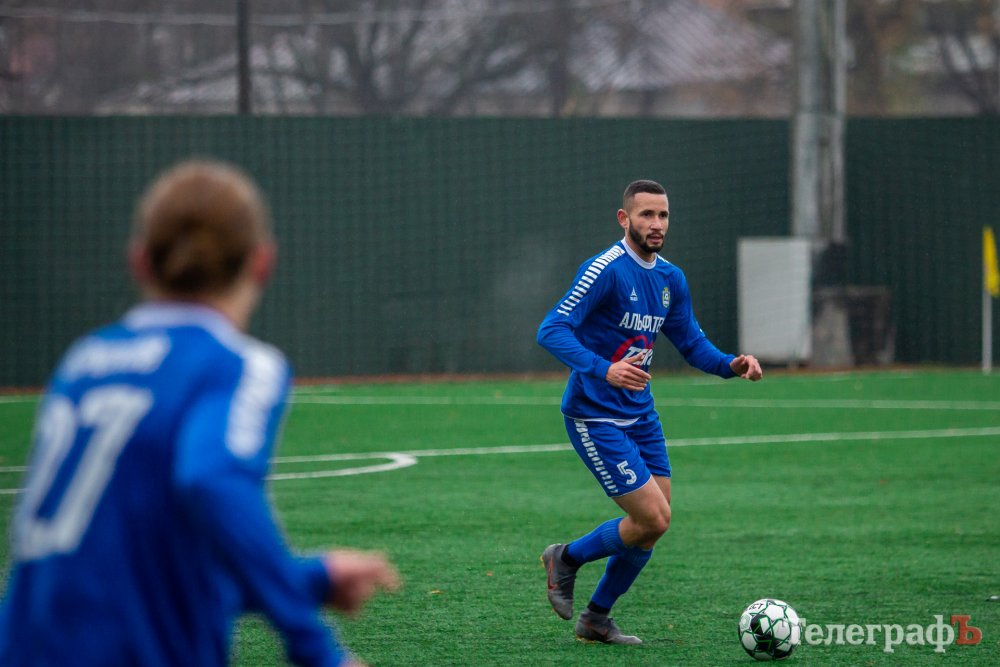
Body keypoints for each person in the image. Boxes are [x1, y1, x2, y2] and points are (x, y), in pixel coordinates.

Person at [0, 160, 399, 667]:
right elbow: (212, 480)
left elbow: (123, 576)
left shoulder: (83, 363)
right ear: (262, 263)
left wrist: (310, 579)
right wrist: (319, 651)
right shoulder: (236, 365)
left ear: (139, 262)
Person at [537, 179, 762, 644]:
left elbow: (691, 343)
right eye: (646, 215)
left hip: (640, 415)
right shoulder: (605, 270)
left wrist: (731, 365)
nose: (656, 224)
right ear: (625, 219)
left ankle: (596, 618)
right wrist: (604, 369)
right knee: (653, 518)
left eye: (663, 215)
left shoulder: (670, 278)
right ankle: (566, 558)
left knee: (652, 528)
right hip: (594, 415)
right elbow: (552, 329)